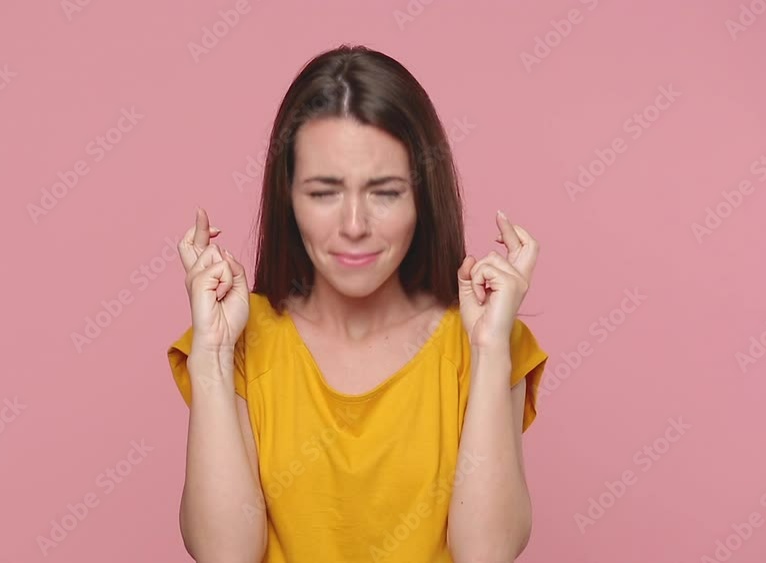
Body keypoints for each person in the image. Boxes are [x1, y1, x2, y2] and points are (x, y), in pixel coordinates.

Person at [167, 44, 548, 563]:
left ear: (423, 197)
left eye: (385, 192)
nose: (353, 226)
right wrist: (211, 355)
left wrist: (489, 348)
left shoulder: (486, 341)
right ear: (288, 198)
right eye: (323, 192)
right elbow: (223, 554)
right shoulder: (239, 340)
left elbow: (487, 553)